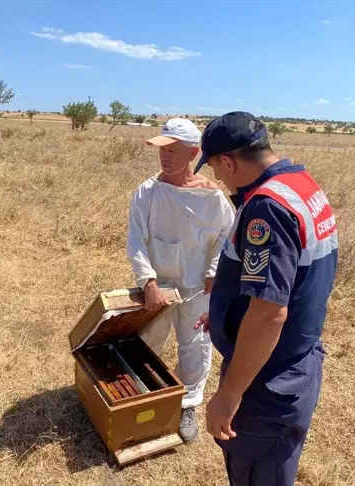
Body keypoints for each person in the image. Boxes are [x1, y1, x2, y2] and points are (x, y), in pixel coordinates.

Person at [194, 111, 338, 485]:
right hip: (292, 365)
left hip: (266, 382)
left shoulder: (266, 208)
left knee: (259, 473)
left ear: (229, 161)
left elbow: (270, 313)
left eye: (214, 167)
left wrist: (228, 396)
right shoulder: (300, 184)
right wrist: (227, 313)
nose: (217, 177)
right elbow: (297, 280)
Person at [126, 118, 235, 443]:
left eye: (174, 150)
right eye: (162, 149)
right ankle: (141, 396)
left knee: (194, 345)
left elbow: (227, 234)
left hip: (197, 287)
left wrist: (216, 270)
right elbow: (136, 241)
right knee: (147, 342)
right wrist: (148, 283)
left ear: (193, 153)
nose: (165, 157)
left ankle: (187, 404)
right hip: (158, 287)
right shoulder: (147, 192)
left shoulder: (213, 197)